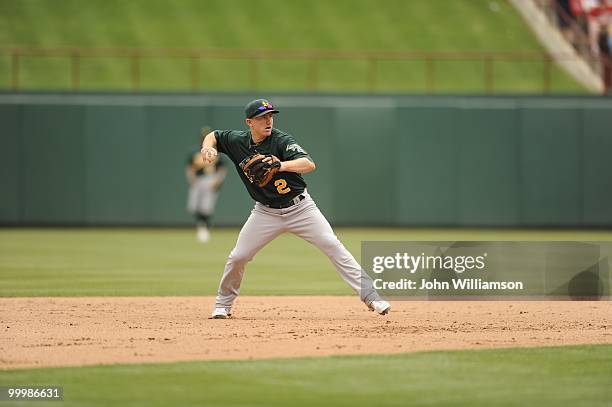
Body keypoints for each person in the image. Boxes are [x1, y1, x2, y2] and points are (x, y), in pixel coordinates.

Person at [200, 98, 391, 318]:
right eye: (262, 117)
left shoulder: (281, 141)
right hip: (265, 212)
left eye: (271, 116)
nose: (268, 121)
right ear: (249, 122)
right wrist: (207, 148)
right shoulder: (237, 141)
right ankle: (223, 305)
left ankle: (372, 297)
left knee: (333, 245)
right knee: (239, 256)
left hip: (301, 208)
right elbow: (214, 135)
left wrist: (279, 164)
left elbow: (308, 163)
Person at [186, 127, 227, 242]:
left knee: (206, 207)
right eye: (203, 136)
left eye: (206, 136)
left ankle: (204, 228)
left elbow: (222, 169)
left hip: (211, 179)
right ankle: (201, 226)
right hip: (198, 180)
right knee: (194, 206)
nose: (204, 138)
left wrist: (218, 181)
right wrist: (191, 179)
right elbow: (190, 169)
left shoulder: (216, 152)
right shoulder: (194, 152)